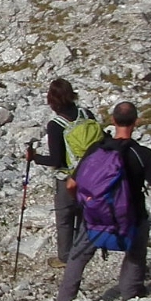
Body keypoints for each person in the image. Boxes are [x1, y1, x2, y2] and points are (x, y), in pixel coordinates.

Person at [55, 101, 151, 301]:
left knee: (78, 257)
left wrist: (87, 204)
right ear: (136, 122)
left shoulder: (96, 149)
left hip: (96, 216)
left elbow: (71, 184)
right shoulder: (143, 154)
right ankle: (131, 295)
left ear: (113, 120)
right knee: (136, 254)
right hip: (131, 217)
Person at [27, 78, 98, 265]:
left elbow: (56, 160)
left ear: (51, 99)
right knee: (85, 215)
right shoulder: (87, 114)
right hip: (92, 175)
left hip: (68, 178)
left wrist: (34, 157)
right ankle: (84, 249)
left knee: (65, 218)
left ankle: (65, 257)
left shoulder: (56, 125)